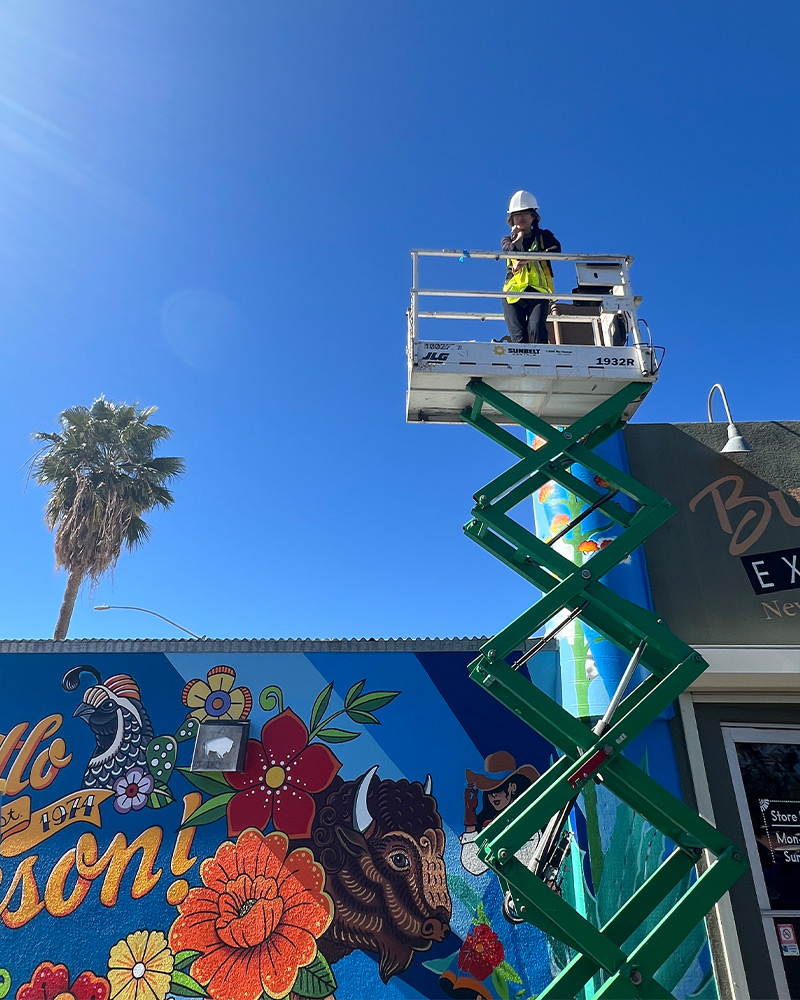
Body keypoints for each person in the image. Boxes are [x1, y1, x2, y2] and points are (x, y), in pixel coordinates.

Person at [501, 190, 561, 344]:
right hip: (513, 294)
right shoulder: (507, 240)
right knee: (519, 338)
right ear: (511, 219)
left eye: (524, 213)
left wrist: (528, 259)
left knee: (537, 329)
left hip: (538, 292)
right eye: (516, 215)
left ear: (533, 216)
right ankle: (521, 367)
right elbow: (512, 252)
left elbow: (556, 249)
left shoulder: (544, 236)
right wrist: (518, 237)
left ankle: (541, 365)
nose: (520, 218)